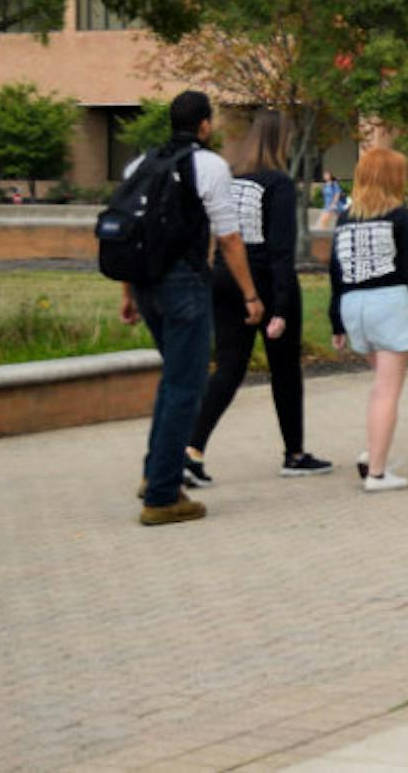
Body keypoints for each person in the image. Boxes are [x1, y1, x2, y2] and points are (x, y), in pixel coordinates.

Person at [116, 90, 264, 526]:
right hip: (184, 285)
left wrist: (128, 293)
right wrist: (251, 295)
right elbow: (230, 237)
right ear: (204, 124)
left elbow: (129, 231)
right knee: (187, 385)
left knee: (175, 381)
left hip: (147, 284)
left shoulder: (139, 164)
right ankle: (162, 496)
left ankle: (155, 473)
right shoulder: (210, 166)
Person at [185, 109, 330, 483]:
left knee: (229, 369)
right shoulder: (279, 184)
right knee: (284, 370)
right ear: (281, 142)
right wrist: (280, 306)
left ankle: (192, 449)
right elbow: (281, 250)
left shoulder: (233, 179)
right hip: (265, 281)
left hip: (227, 277)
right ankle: (294, 453)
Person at [329, 146, 408, 491]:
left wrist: (336, 321)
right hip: (390, 304)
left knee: (379, 386)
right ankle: (377, 472)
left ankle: (373, 454)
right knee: (387, 391)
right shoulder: (402, 217)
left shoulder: (345, 219)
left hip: (354, 305)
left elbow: (336, 272)